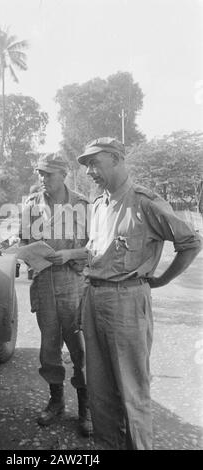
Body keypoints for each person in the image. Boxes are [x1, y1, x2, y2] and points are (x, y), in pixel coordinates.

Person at [75, 137, 202, 450]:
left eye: (95, 162)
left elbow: (190, 242)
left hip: (127, 301)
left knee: (132, 391)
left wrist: (162, 280)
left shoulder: (144, 201)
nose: (90, 171)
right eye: (87, 165)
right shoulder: (98, 203)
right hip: (95, 297)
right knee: (100, 390)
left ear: (117, 159)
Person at [19, 153, 92, 437]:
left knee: (80, 348)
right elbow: (24, 241)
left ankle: (86, 409)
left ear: (64, 174)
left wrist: (71, 253)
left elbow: (98, 248)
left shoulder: (83, 206)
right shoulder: (31, 206)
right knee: (49, 347)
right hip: (44, 281)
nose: (42, 178)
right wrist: (29, 254)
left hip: (74, 282)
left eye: (48, 174)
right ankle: (56, 402)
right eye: (40, 173)